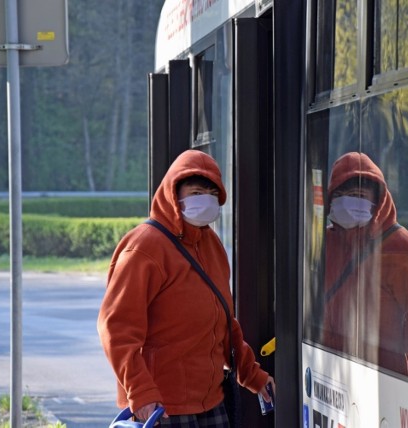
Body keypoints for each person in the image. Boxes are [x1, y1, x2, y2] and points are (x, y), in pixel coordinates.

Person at [98, 149, 275, 425]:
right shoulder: (144, 247)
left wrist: (253, 375)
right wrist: (141, 392)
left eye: (211, 192)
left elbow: (224, 323)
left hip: (211, 403)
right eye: (195, 192)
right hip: (161, 409)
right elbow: (117, 329)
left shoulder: (212, 246)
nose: (204, 199)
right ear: (174, 195)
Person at [321, 151, 408, 386]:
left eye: (357, 195)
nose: (347, 202)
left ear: (377, 199)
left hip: (385, 389)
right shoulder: (325, 244)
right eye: (339, 195)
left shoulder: (401, 246)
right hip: (334, 385)